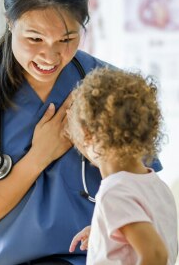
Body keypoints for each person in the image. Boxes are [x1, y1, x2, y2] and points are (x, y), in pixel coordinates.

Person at [0, 0, 162, 264]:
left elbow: (143, 195)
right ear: (10, 21)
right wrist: (39, 156)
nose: (50, 56)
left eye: (67, 39)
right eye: (35, 39)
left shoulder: (111, 91)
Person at [67, 68, 178, 264]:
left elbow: (156, 253)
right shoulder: (157, 186)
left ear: (86, 133)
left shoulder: (115, 191)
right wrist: (104, 234)